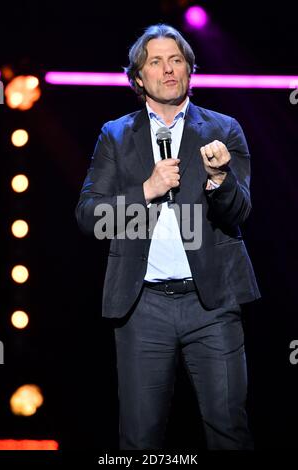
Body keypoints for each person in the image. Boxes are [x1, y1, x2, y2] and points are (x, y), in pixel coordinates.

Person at [76, 24, 260, 450]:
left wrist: (219, 180)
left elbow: (240, 213)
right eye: (155, 62)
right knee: (140, 440)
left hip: (212, 304)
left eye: (176, 60)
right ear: (139, 78)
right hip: (143, 308)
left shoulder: (223, 129)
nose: (168, 69)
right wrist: (146, 191)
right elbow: (89, 217)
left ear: (190, 70)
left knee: (229, 431)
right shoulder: (116, 136)